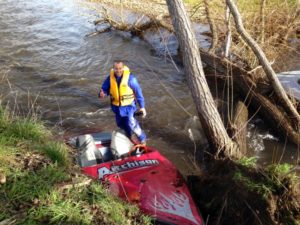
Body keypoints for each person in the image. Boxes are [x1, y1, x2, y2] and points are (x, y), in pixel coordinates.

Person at [99, 60, 147, 145]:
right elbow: (104, 89)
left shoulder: (131, 79)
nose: (118, 70)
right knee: (121, 124)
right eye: (116, 68)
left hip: (129, 106)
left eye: (120, 68)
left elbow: (138, 92)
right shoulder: (110, 78)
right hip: (117, 107)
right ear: (113, 69)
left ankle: (142, 139)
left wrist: (142, 107)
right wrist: (102, 94)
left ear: (123, 68)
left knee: (131, 122)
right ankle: (130, 135)